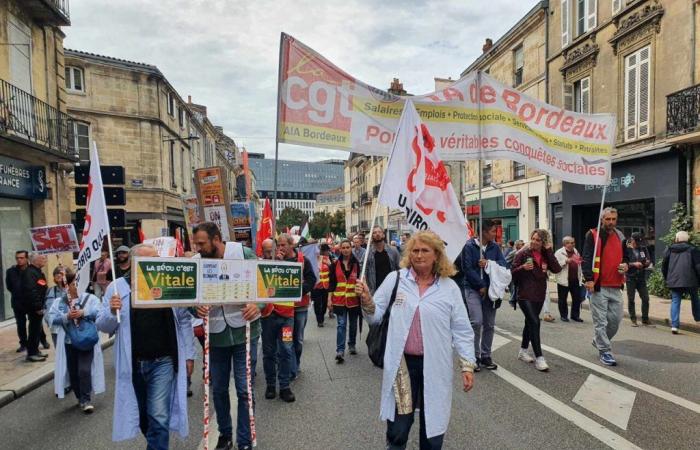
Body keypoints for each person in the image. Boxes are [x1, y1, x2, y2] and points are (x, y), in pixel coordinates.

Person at [356, 231, 476, 449]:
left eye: (425, 250)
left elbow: (462, 329)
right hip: (403, 365)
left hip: (435, 365)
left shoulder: (449, 288)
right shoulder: (396, 280)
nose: (419, 255)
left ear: (437, 255)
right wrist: (366, 299)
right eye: (415, 250)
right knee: (399, 428)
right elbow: (375, 315)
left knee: (432, 429)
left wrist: (467, 365)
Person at [97, 244, 195, 449]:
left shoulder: (168, 284)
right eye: (149, 259)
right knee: (144, 416)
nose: (155, 263)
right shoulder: (118, 288)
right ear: (134, 263)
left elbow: (184, 319)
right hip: (135, 363)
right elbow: (104, 325)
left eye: (157, 258)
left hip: (164, 361)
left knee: (159, 416)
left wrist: (188, 355)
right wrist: (112, 311)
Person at [193, 223, 261, 450]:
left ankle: (245, 440)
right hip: (215, 336)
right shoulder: (196, 262)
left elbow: (265, 283)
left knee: (244, 389)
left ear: (216, 239)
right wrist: (195, 308)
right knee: (219, 389)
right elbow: (187, 296)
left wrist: (257, 304)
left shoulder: (243, 254)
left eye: (202, 243)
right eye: (196, 243)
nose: (198, 248)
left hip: (245, 333)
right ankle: (225, 434)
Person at [50, 268, 105, 413]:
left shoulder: (91, 299)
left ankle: (86, 399)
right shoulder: (59, 302)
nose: (73, 286)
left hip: (87, 341)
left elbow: (100, 313)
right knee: (73, 372)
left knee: (84, 370)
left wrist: (83, 312)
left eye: (75, 283)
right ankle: (80, 397)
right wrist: (66, 317)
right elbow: (51, 319)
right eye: (70, 284)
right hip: (69, 342)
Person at [582, 207, 628, 367]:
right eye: (608, 219)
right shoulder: (592, 235)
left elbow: (626, 256)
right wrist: (588, 279)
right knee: (600, 322)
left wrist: (626, 265)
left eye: (614, 219)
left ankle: (598, 340)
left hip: (616, 285)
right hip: (598, 286)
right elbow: (586, 257)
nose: (611, 222)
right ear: (602, 220)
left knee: (615, 320)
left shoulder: (620, 235)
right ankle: (605, 351)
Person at [459, 219, 507, 371]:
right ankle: (474, 356)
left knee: (489, 324)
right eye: (493, 231)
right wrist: (480, 285)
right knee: (477, 321)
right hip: (473, 289)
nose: (495, 233)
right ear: (484, 232)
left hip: (491, 290)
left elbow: (503, 264)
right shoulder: (469, 246)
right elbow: (467, 268)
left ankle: (486, 355)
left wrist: (488, 263)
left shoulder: (495, 247)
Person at [512, 229, 562, 371]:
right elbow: (511, 272)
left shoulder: (546, 254)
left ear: (543, 242)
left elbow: (557, 269)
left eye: (538, 240)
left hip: (539, 294)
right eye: (532, 238)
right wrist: (522, 268)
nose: (534, 241)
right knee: (535, 322)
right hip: (525, 294)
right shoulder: (523, 253)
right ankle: (539, 358)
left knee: (529, 322)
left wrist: (549, 251)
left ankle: (522, 351)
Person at [259, 238, 296, 403]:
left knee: (286, 350)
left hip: (287, 317)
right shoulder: (259, 267)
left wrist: (284, 264)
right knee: (268, 352)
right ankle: (270, 385)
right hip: (268, 318)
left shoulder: (291, 263)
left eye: (271, 250)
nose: (270, 253)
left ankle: (285, 386)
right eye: (266, 251)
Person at [276, 233, 315, 380]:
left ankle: (295, 363)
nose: (280, 248)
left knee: (297, 340)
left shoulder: (303, 260)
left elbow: (311, 280)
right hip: (283, 310)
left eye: (283, 245)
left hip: (299, 308)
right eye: (278, 245)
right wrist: (277, 263)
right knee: (286, 340)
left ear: (291, 245)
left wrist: (298, 291)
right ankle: (288, 367)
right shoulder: (275, 261)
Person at [328, 239, 361, 363]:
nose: (346, 250)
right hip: (339, 300)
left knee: (353, 325)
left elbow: (360, 280)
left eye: (348, 247)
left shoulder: (356, 263)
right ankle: (340, 351)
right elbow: (331, 284)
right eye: (344, 247)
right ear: (340, 249)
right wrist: (329, 300)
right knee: (341, 325)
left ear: (351, 248)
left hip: (354, 300)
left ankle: (351, 344)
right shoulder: (335, 264)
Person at [662, 231, 700, 334]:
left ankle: (674, 326)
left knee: (675, 301)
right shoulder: (693, 249)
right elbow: (698, 266)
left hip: (674, 280)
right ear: (687, 239)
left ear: (677, 239)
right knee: (695, 298)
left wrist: (667, 278)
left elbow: (664, 265)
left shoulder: (670, 249)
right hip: (691, 280)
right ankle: (698, 319)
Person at [22, 253, 50, 362]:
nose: (45, 260)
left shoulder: (36, 272)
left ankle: (35, 350)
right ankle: (32, 353)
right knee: (34, 329)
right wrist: (38, 306)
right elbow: (32, 291)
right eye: (42, 258)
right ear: (35, 260)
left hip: (39, 306)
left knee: (37, 329)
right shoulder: (29, 273)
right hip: (34, 308)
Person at [554, 236, 584, 323]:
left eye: (573, 243)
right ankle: (563, 316)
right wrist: (565, 262)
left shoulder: (576, 251)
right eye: (568, 243)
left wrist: (580, 261)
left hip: (575, 279)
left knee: (577, 299)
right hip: (564, 280)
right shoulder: (559, 253)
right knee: (563, 299)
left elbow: (578, 264)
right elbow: (555, 266)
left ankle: (575, 316)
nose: (571, 244)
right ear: (564, 244)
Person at [6, 250, 31, 353]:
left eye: (21, 258)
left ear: (27, 258)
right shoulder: (11, 271)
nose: (19, 260)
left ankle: (41, 340)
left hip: (31, 301)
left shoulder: (32, 270)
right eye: (17, 258)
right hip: (17, 302)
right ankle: (23, 344)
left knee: (35, 323)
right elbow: (9, 286)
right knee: (20, 324)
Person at [625, 232, 652, 327]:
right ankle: (633, 319)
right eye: (636, 242)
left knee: (646, 298)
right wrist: (633, 264)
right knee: (631, 299)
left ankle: (645, 319)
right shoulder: (626, 250)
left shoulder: (643, 248)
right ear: (632, 240)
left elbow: (648, 259)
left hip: (641, 277)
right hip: (630, 277)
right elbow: (622, 264)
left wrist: (647, 263)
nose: (638, 244)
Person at [365, 226, 401, 296]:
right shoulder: (367, 253)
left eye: (379, 232)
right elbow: (364, 272)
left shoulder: (393, 250)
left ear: (383, 235)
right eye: (374, 233)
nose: (377, 234)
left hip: (391, 288)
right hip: (375, 290)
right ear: (372, 236)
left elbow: (400, 268)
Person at [312, 243, 333, 327]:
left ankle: (322, 315)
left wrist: (329, 264)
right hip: (316, 286)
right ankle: (319, 320)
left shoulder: (328, 258)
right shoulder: (313, 259)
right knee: (317, 304)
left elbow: (332, 271)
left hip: (326, 286)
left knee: (324, 303)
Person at [45, 266, 67, 347]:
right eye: (56, 273)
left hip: (69, 327)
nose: (58, 275)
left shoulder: (72, 289)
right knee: (59, 351)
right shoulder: (50, 290)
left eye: (61, 273)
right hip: (55, 327)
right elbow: (47, 308)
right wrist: (49, 320)